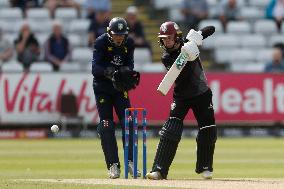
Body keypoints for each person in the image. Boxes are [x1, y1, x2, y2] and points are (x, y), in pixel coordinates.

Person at [145, 21, 217, 180]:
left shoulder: (188, 43)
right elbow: (181, 74)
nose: (167, 41)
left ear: (177, 36)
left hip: (202, 93)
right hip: (182, 97)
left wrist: (197, 37)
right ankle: (159, 170)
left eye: (170, 38)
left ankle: (205, 167)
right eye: (164, 39)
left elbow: (211, 28)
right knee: (171, 129)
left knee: (208, 128)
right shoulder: (166, 57)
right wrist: (187, 56)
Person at [92, 17, 140, 179]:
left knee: (129, 123)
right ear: (109, 33)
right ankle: (113, 165)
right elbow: (95, 69)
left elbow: (130, 64)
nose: (119, 37)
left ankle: (131, 163)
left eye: (122, 34)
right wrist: (111, 72)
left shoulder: (129, 43)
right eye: (116, 34)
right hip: (103, 88)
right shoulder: (100, 42)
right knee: (106, 125)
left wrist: (125, 72)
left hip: (120, 88)